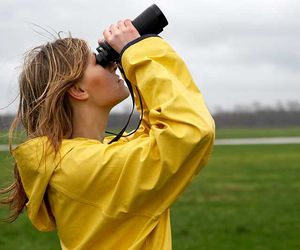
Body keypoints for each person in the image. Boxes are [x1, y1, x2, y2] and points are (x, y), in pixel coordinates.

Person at [0, 19, 215, 249]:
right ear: (78, 90)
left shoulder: (80, 158)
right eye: (98, 62)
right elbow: (189, 131)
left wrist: (131, 57)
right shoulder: (78, 168)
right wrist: (140, 51)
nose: (111, 65)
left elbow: (155, 130)